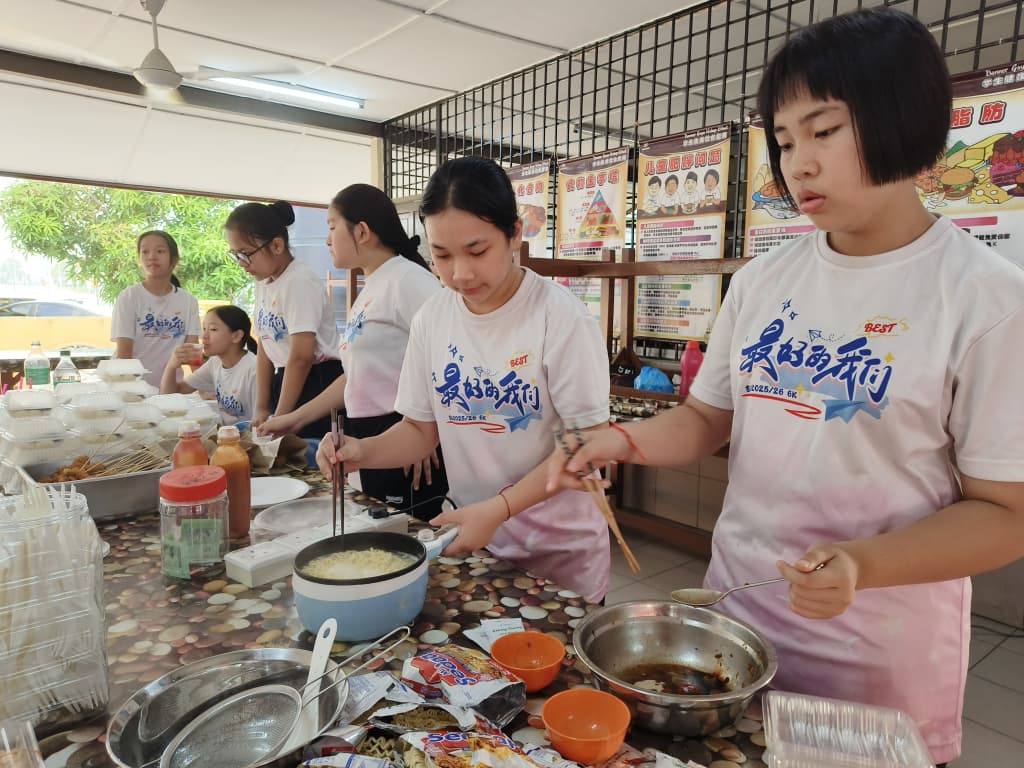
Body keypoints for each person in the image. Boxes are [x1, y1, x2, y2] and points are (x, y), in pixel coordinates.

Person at [546, 9, 1024, 766]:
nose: (796, 164)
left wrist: (863, 565)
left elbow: (1005, 515)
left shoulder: (988, 300)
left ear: (902, 118)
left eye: (824, 131)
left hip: (874, 654)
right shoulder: (765, 280)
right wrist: (621, 439)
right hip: (737, 621)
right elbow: (707, 420)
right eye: (785, 139)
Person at [318, 157, 613, 602]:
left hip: (559, 556)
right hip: (476, 545)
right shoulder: (434, 316)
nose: (460, 273)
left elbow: (586, 446)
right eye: (441, 255)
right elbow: (420, 430)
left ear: (514, 234)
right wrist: (364, 451)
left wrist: (501, 509)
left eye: (477, 251)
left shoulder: (560, 317)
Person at [260, 184, 449, 519]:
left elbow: (449, 358)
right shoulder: (371, 286)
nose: (328, 239)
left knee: (407, 543)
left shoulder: (408, 280)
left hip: (402, 436)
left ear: (361, 231)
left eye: (332, 227)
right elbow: (356, 377)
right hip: (372, 436)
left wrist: (425, 433)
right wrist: (294, 419)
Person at [225, 200, 342, 439]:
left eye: (246, 254)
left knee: (306, 460)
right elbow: (265, 344)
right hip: (287, 380)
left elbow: (301, 357)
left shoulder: (298, 281)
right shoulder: (264, 282)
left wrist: (281, 417)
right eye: (235, 254)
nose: (241, 264)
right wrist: (261, 406)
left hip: (315, 381)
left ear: (277, 245)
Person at [111, 230, 200, 387]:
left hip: (170, 389)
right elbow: (124, 356)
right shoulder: (129, 297)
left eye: (160, 251)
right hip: (131, 388)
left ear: (174, 259)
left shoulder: (188, 301)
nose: (151, 256)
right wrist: (133, 392)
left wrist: (204, 387)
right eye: (145, 251)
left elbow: (192, 353)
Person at [161, 305, 257, 425]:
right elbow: (170, 394)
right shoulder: (215, 362)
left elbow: (260, 422)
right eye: (204, 328)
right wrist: (171, 366)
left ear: (236, 336)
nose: (204, 336)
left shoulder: (253, 369)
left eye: (213, 329)